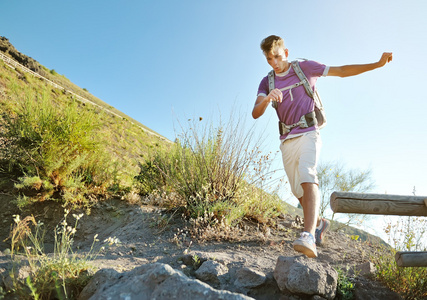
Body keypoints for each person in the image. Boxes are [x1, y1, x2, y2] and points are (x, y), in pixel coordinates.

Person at [252, 35, 392, 258]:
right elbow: (255, 113)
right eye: (269, 59)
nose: (274, 63)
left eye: (277, 57)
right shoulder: (266, 82)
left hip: (309, 132)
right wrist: (268, 98)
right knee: (297, 190)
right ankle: (318, 223)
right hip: (286, 139)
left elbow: (342, 70)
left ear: (286, 53)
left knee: (308, 175)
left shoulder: (305, 68)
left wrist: (376, 64)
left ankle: (308, 236)